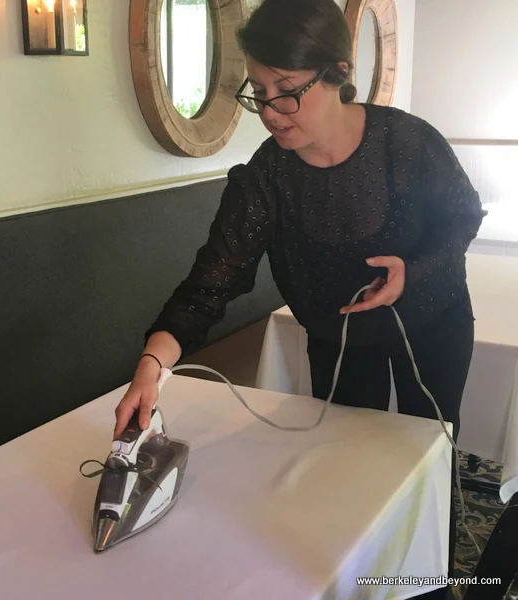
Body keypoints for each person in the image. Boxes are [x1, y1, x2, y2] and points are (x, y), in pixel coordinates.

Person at [115, 0, 484, 596]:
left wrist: (413, 273)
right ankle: (359, 574)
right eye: (257, 90)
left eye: (287, 90)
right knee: (346, 464)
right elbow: (215, 277)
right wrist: (152, 364)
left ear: (338, 71)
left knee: (428, 454)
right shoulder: (267, 178)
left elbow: (464, 217)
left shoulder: (407, 143)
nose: (270, 111)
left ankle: (428, 574)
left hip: (432, 321)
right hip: (338, 339)